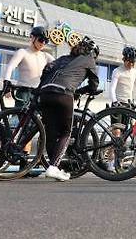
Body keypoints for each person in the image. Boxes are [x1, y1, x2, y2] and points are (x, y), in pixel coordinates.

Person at [37, 36, 100, 181]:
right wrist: (84, 90)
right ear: (93, 53)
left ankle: (54, 168)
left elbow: (47, 69)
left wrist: (41, 87)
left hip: (45, 92)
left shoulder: (63, 58)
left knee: (51, 132)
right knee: (66, 132)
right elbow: (94, 83)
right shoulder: (89, 59)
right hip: (64, 93)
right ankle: (53, 167)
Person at [106, 46, 136, 172]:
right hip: (117, 105)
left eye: (133, 62)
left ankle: (119, 162)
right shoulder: (117, 71)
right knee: (116, 134)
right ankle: (110, 162)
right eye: (129, 61)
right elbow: (112, 88)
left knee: (123, 137)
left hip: (128, 106)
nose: (131, 64)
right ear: (124, 59)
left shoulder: (134, 72)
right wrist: (114, 101)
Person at [3, 26, 55, 105]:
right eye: (41, 40)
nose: (43, 43)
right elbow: (10, 67)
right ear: (32, 37)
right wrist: (6, 83)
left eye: (46, 41)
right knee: (21, 116)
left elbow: (60, 65)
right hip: (24, 91)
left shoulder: (45, 56)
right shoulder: (23, 52)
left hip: (39, 93)